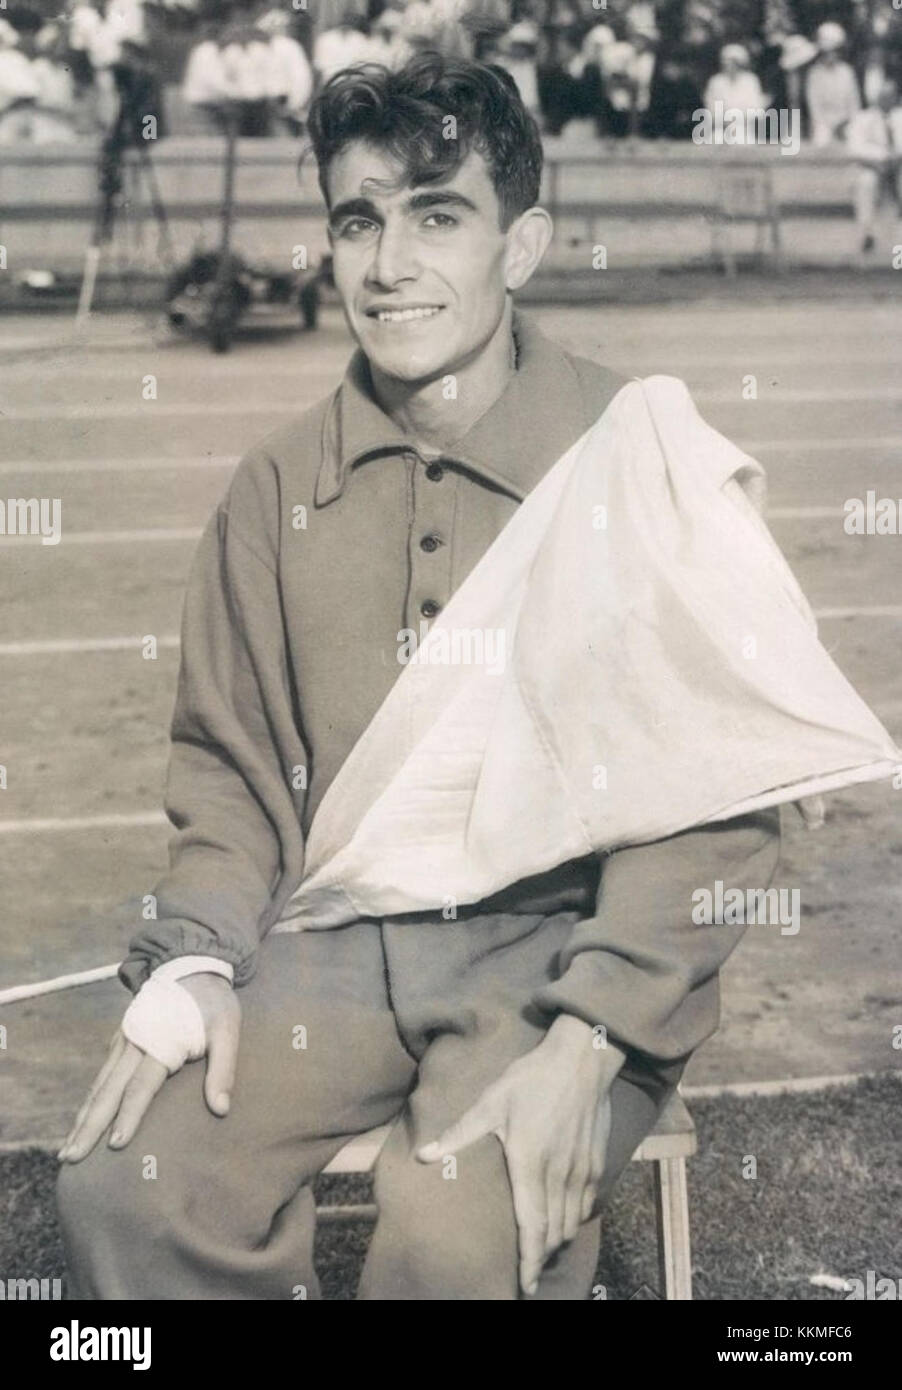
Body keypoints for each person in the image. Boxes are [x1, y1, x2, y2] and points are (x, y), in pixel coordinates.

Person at [55, 54, 895, 1303]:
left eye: (436, 215)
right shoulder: (273, 489)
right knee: (125, 1183)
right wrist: (189, 963)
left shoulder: (636, 451)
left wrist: (593, 1035)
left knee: (458, 1234)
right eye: (358, 221)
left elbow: (719, 805)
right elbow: (229, 784)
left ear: (522, 244)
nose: (388, 264)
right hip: (329, 950)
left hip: (559, 960)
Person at [846, 77, 902, 255]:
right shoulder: (863, 118)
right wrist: (880, 160)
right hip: (871, 166)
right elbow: (854, 147)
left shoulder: (900, 116)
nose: (886, 100)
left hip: (898, 167)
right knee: (866, 182)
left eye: (890, 96)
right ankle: (867, 234)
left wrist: (895, 159)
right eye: (882, 96)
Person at [806, 21, 861, 147]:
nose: (831, 55)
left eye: (835, 51)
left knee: (856, 140)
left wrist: (847, 121)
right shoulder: (814, 74)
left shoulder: (847, 72)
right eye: (827, 52)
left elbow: (854, 102)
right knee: (821, 140)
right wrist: (829, 124)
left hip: (846, 122)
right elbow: (814, 106)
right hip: (823, 124)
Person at [703, 43, 767, 145]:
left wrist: (737, 119)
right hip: (720, 130)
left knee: (743, 143)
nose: (728, 65)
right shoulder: (716, 81)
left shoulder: (751, 80)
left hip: (744, 129)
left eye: (732, 62)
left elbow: (756, 108)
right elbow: (711, 107)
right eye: (725, 62)